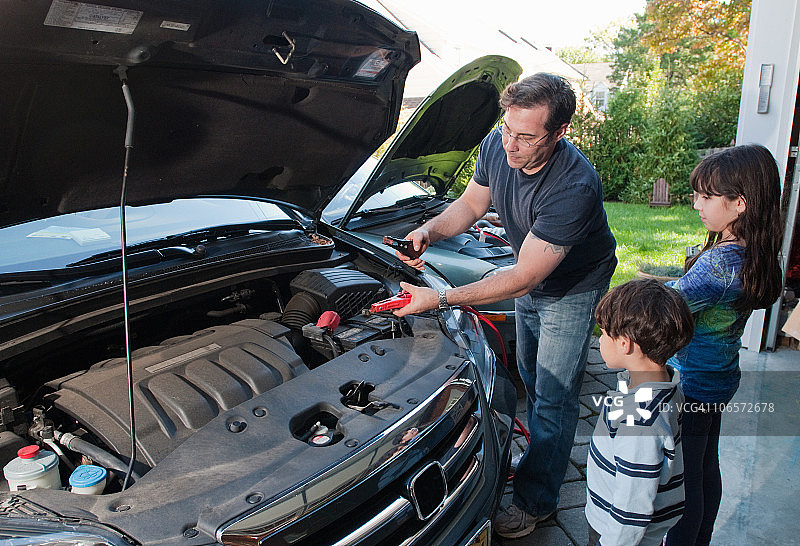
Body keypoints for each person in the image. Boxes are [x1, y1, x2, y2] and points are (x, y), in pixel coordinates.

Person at [393, 73, 617, 538]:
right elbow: (471, 206)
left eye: (526, 137)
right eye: (507, 130)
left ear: (558, 134)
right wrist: (429, 232)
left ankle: (537, 501)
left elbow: (521, 280)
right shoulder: (500, 144)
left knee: (554, 396)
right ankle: (538, 455)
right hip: (532, 273)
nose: (511, 146)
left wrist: (440, 298)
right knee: (532, 377)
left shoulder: (574, 185)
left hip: (571, 287)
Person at [663, 144, 784, 545]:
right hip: (720, 377)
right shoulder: (756, 253)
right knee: (704, 465)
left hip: (692, 382)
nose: (696, 202)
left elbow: (669, 305)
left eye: (707, 195)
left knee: (684, 479)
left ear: (739, 204)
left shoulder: (719, 263)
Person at [585, 279, 694, 546]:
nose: (600, 340)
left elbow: (631, 510)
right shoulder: (664, 384)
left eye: (603, 333)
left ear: (625, 344)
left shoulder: (638, 422)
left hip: (614, 532)